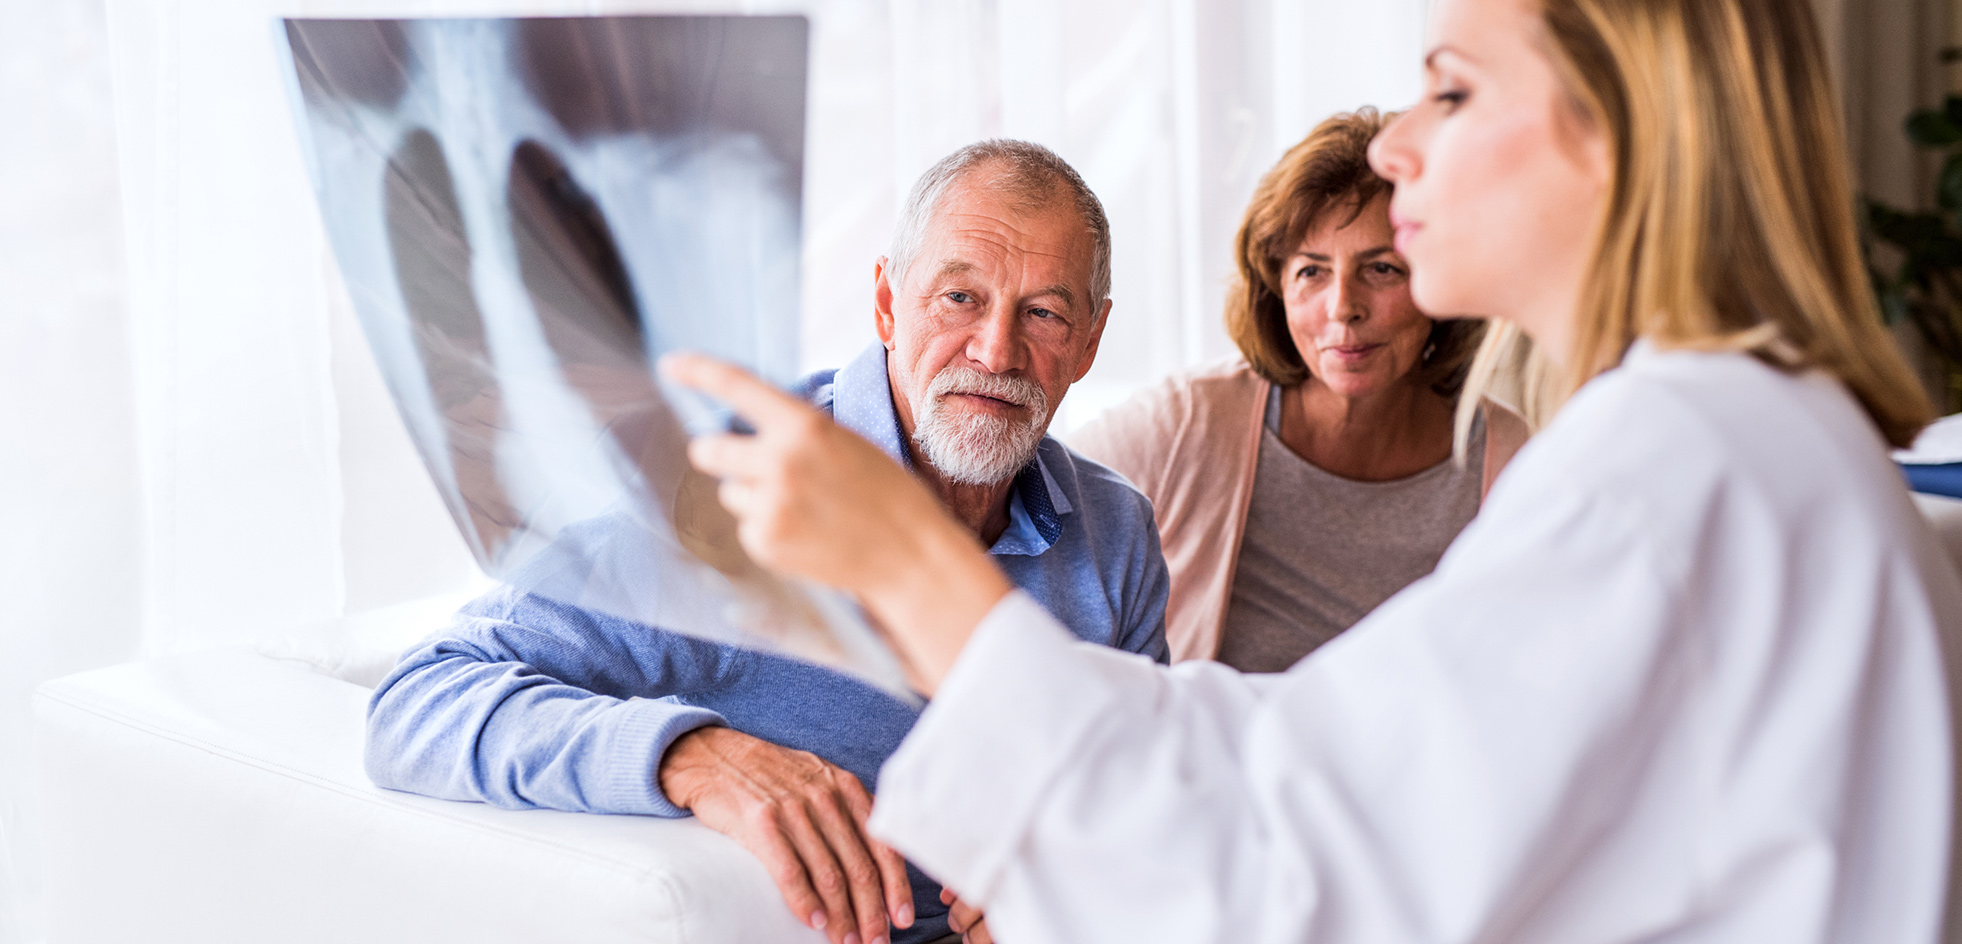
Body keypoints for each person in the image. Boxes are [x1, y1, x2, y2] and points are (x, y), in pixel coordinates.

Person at [663, 0, 1962, 940]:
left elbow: (1290, 874)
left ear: (1618, 131)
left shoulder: (1669, 475)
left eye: (1450, 90)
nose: (1395, 145)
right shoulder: (1740, 443)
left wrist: (902, 562)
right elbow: (1315, 760)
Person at [365, 139, 1171, 944]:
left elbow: (1142, 802)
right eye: (959, 297)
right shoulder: (730, 487)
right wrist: (696, 757)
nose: (996, 352)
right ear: (888, 303)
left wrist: (1068, 879)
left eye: (1043, 314)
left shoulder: (1116, 533)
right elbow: (420, 701)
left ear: (1090, 342)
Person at [1072, 108, 1529, 666]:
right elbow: (1030, 505)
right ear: (1276, 289)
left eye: (1382, 268)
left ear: (1439, 279)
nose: (1344, 308)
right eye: (1312, 272)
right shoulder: (1191, 419)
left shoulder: (1511, 458)